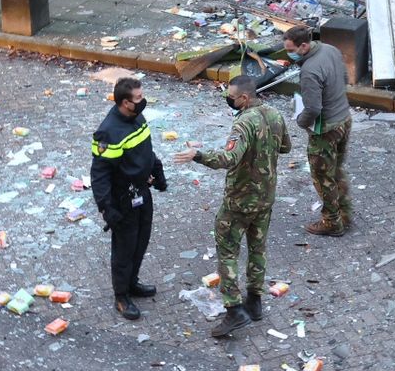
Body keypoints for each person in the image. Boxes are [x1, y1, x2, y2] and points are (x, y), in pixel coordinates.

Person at [174, 76, 291, 337]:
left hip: (239, 200)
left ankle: (234, 309)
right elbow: (285, 147)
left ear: (244, 98)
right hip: (265, 197)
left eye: (232, 96)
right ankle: (255, 301)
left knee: (227, 251)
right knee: (257, 248)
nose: (229, 99)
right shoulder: (275, 114)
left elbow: (228, 158)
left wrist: (198, 155)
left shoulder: (243, 124)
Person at [90, 77, 167, 320]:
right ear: (125, 102)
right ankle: (121, 296)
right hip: (122, 199)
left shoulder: (138, 117)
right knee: (124, 249)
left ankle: (132, 282)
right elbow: (100, 173)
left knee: (141, 241)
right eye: (138, 98)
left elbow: (146, 150)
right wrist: (106, 207)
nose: (143, 101)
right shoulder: (108, 132)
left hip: (141, 192)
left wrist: (157, 171)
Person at [283, 25, 353, 237]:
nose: (288, 54)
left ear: (304, 46)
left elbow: (313, 108)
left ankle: (332, 222)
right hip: (344, 119)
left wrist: (301, 121)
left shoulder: (309, 71)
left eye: (291, 50)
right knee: (336, 170)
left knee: (323, 177)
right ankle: (344, 213)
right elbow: (345, 79)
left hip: (326, 130)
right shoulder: (331, 49)